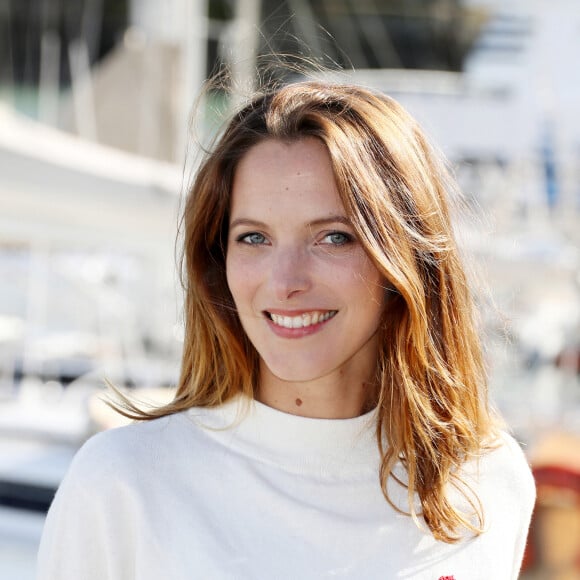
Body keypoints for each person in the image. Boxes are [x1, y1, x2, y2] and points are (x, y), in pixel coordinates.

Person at [37, 81, 535, 579]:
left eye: (333, 237)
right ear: (218, 259)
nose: (285, 281)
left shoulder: (488, 479)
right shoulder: (123, 484)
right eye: (254, 237)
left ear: (404, 259)